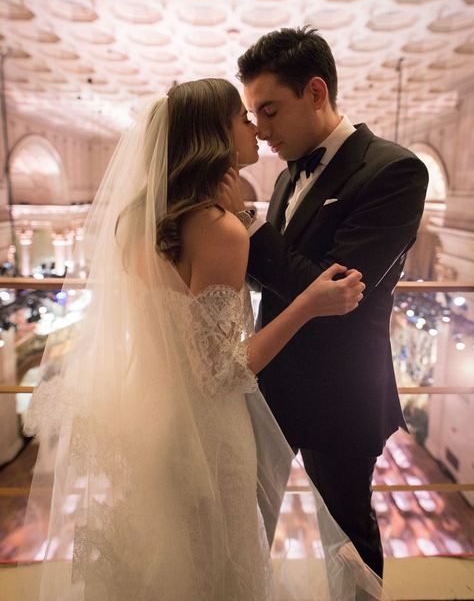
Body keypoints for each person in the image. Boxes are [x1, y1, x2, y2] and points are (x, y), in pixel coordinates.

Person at [18, 78, 388, 601]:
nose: (256, 129)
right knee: (216, 573)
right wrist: (307, 306)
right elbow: (220, 371)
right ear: (215, 133)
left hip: (155, 417)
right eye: (242, 118)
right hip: (206, 431)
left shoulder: (139, 220)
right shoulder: (218, 230)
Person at [220, 27, 429, 580]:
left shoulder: (394, 170)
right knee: (247, 524)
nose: (260, 132)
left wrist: (249, 222)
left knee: (347, 541)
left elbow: (338, 291)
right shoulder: (289, 173)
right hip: (268, 385)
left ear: (316, 92)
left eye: (269, 111)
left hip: (342, 394)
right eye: (252, 115)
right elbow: (287, 282)